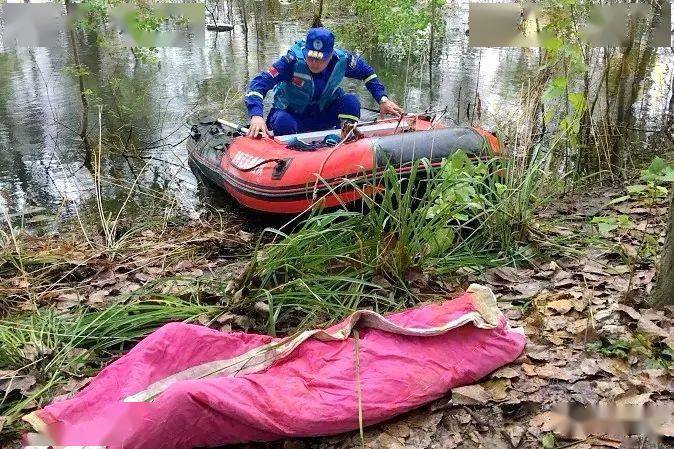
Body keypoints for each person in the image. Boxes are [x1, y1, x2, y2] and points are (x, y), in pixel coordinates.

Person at [245, 26, 404, 138]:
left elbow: (368, 73)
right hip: (293, 114)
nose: (315, 62)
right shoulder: (291, 62)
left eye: (321, 59)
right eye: (311, 57)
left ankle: (345, 137)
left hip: (325, 113)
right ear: (305, 51)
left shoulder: (343, 60)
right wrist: (256, 115)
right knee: (282, 122)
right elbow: (259, 84)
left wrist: (382, 99)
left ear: (331, 54)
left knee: (351, 102)